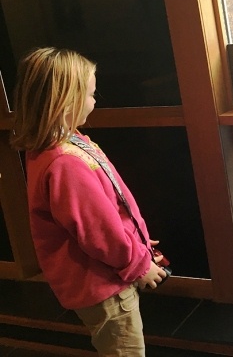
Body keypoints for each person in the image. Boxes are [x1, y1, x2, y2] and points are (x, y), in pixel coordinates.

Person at [9, 47, 167, 356]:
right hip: (104, 286)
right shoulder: (63, 163)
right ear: (65, 100)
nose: (95, 102)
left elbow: (108, 208)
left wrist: (137, 238)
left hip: (107, 274)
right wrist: (138, 264)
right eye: (91, 94)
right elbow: (98, 232)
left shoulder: (67, 141)